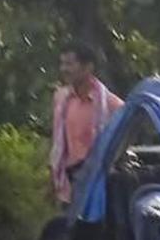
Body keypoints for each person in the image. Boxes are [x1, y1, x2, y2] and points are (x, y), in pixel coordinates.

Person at [50, 42, 123, 204]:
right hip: (70, 182)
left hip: (99, 183)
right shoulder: (61, 100)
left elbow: (121, 144)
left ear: (88, 67)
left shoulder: (111, 104)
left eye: (69, 64)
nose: (64, 69)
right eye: (62, 64)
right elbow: (58, 143)